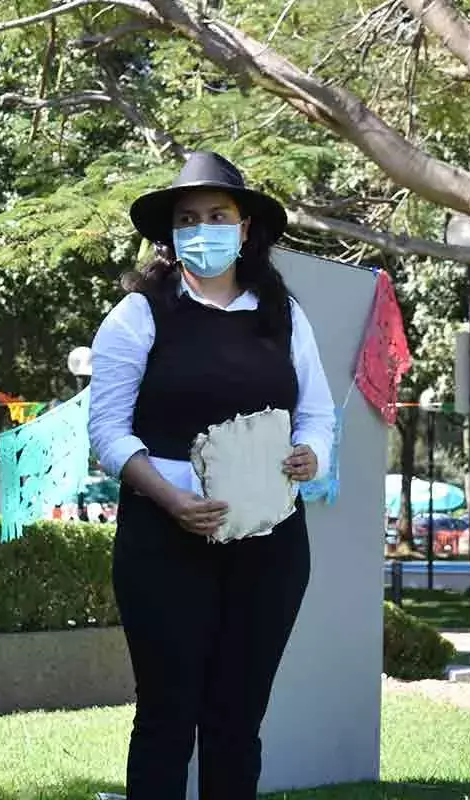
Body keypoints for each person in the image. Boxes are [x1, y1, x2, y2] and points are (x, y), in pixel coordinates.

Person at [87, 151, 336, 799]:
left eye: (217, 215)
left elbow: (317, 415)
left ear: (244, 226)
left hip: (271, 544)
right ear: (170, 234)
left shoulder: (283, 314)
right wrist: (170, 498)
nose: (203, 228)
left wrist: (312, 454)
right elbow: (108, 433)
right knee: (167, 716)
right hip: (164, 541)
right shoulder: (139, 314)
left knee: (236, 720)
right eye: (188, 218)